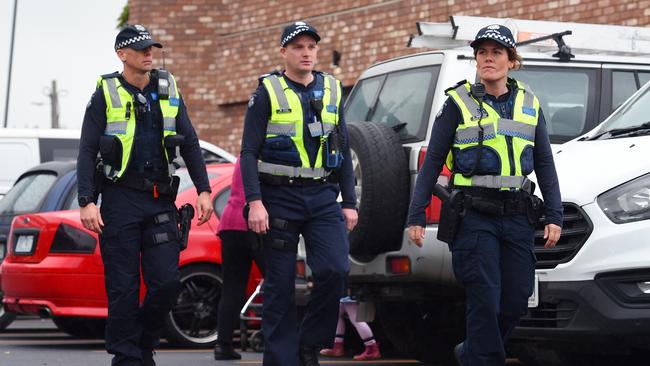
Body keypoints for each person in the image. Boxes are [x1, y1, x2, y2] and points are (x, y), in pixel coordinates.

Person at [407, 24, 563, 366]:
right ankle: (482, 359)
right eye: (482, 52)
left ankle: (472, 354)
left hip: (517, 216)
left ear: (511, 61)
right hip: (474, 216)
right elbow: (433, 160)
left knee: (516, 301)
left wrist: (555, 214)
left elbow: (544, 162)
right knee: (485, 300)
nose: (488, 58)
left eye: (496, 52)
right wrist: (415, 215)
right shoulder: (457, 103)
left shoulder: (529, 103)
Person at [77, 24, 213, 366]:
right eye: (141, 49)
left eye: (151, 48)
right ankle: (127, 358)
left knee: (166, 282)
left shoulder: (167, 88)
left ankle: (143, 343)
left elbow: (191, 142)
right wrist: (86, 200)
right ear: (122, 54)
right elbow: (87, 149)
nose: (149, 53)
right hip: (120, 201)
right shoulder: (105, 93)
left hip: (160, 201)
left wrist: (205, 189)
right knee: (122, 288)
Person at [240, 21, 358, 366]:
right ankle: (280, 359)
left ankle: (309, 343)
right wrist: (254, 202)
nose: (306, 53)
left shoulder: (333, 90)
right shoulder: (267, 92)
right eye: (298, 47)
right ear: (284, 53)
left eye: (311, 47)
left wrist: (349, 203)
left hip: (322, 196)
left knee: (335, 272)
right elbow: (248, 152)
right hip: (278, 199)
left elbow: (344, 148)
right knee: (279, 287)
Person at [213, 158, 265, 360]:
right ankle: (273, 337)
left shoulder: (243, 156)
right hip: (255, 223)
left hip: (230, 223)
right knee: (278, 282)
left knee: (232, 287)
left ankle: (223, 345)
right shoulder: (267, 154)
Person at [319, 296, 381, 361]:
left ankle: (372, 349)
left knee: (355, 318)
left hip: (349, 293)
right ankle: (337, 346)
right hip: (345, 292)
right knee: (335, 314)